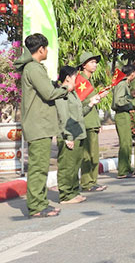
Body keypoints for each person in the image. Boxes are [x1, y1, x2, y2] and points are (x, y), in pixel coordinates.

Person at [14, 33, 68, 218]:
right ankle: (36, 206)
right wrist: (66, 88)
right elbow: (48, 93)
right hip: (38, 125)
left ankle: (41, 203)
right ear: (41, 49)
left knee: (41, 167)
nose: (47, 52)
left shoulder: (33, 68)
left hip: (40, 124)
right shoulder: (34, 68)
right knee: (38, 168)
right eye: (46, 48)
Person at [54, 65, 87, 204]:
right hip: (68, 134)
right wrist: (68, 136)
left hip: (78, 132)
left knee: (75, 165)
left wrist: (90, 104)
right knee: (67, 165)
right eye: (75, 76)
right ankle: (66, 195)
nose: (77, 79)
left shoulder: (73, 93)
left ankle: (74, 191)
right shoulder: (62, 92)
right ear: (67, 77)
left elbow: (78, 113)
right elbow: (63, 115)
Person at [76, 51, 107, 193]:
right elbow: (79, 103)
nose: (95, 65)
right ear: (84, 65)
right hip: (86, 121)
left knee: (94, 154)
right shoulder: (80, 80)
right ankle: (87, 182)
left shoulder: (89, 80)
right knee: (87, 155)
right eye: (92, 62)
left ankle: (93, 181)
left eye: (95, 62)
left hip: (92, 120)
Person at [113, 65, 135, 179]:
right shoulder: (122, 84)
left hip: (125, 114)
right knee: (124, 143)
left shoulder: (126, 84)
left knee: (128, 142)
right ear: (132, 73)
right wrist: (130, 98)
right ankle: (123, 171)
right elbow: (118, 101)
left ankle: (127, 168)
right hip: (121, 114)